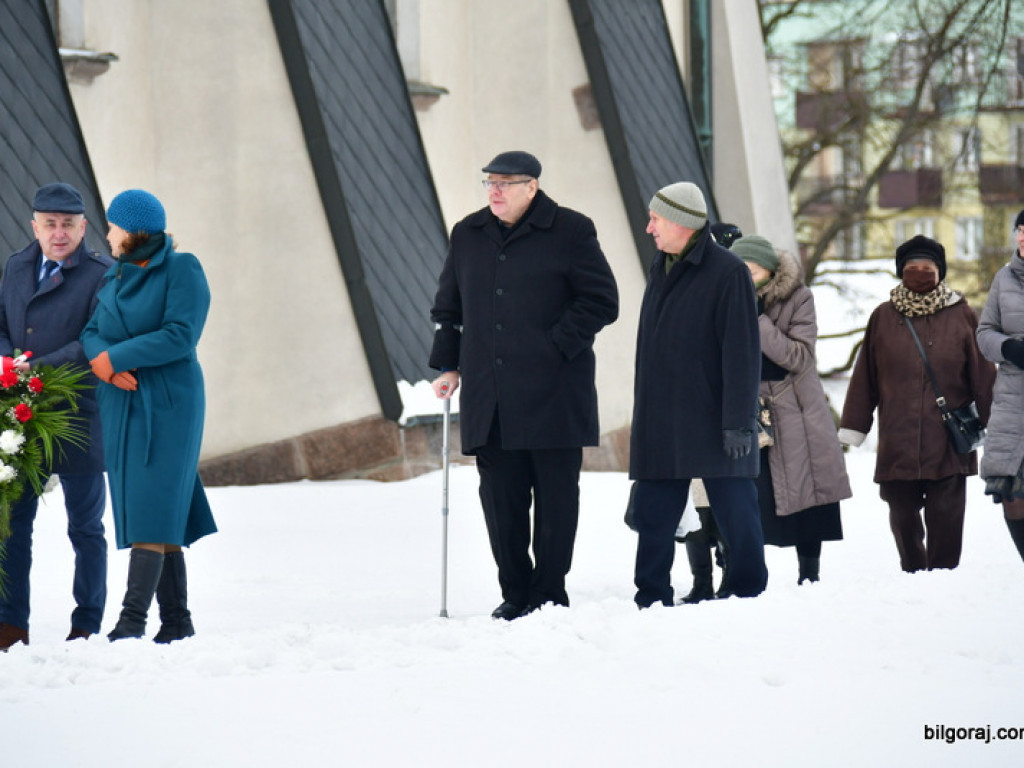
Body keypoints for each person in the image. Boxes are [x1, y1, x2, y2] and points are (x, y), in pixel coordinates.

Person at [429, 151, 619, 620]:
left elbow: (601, 300)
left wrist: (555, 345)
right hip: (490, 398)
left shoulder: (571, 230)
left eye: (505, 183)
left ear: (531, 187)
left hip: (555, 395)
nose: (494, 191)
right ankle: (515, 593)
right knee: (501, 503)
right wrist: (448, 366)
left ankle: (549, 591)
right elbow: (449, 309)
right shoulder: (468, 233)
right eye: (489, 183)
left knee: (556, 503)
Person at [80, 189, 217, 642]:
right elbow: (91, 331)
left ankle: (131, 620)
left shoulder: (181, 269)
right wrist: (104, 362)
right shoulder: (116, 275)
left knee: (153, 502)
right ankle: (176, 621)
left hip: (169, 404)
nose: (107, 235)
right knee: (154, 503)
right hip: (123, 403)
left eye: (113, 226)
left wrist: (116, 358)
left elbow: (180, 334)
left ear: (134, 229)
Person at [631, 182, 767, 608]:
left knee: (736, 509)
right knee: (654, 512)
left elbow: (742, 352)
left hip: (714, 417)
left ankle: (747, 590)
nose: (649, 227)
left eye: (656, 219)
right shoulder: (661, 264)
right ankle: (651, 595)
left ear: (681, 222)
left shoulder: (728, 272)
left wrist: (739, 421)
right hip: (662, 416)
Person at [0, 183, 113, 651]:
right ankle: (11, 624)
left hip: (79, 417)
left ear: (83, 228)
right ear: (35, 226)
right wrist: (6, 362)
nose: (59, 233)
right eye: (50, 224)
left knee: (85, 528)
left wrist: (34, 368)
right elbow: (2, 325)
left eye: (68, 224)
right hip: (22, 417)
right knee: (13, 525)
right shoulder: (16, 266)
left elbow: (94, 340)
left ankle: (86, 622)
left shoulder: (102, 274)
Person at [839, 235, 995, 572]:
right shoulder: (883, 317)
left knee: (947, 515)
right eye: (912, 267)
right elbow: (865, 376)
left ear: (940, 272)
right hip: (898, 438)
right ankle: (913, 569)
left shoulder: (962, 315)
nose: (920, 272)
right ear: (901, 271)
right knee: (901, 511)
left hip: (948, 440)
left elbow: (983, 375)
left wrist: (996, 423)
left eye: (927, 267)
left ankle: (942, 575)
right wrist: (853, 426)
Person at [733, 234, 851, 584]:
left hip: (797, 412)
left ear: (770, 271)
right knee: (751, 498)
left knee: (807, 492)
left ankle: (809, 574)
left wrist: (758, 320)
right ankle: (746, 574)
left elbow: (799, 357)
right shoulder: (726, 300)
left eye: (751, 272)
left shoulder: (798, 298)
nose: (745, 279)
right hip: (750, 411)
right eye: (739, 272)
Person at [676, 222, 741, 604]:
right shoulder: (689, 286)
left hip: (732, 410)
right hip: (693, 409)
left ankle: (731, 573)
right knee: (697, 499)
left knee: (728, 500)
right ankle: (702, 582)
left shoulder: (739, 287)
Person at [975, 209, 1024, 563]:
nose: (1022, 237)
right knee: (1012, 495)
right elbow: (984, 332)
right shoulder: (1003, 279)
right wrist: (1007, 348)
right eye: (1019, 230)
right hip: (1012, 402)